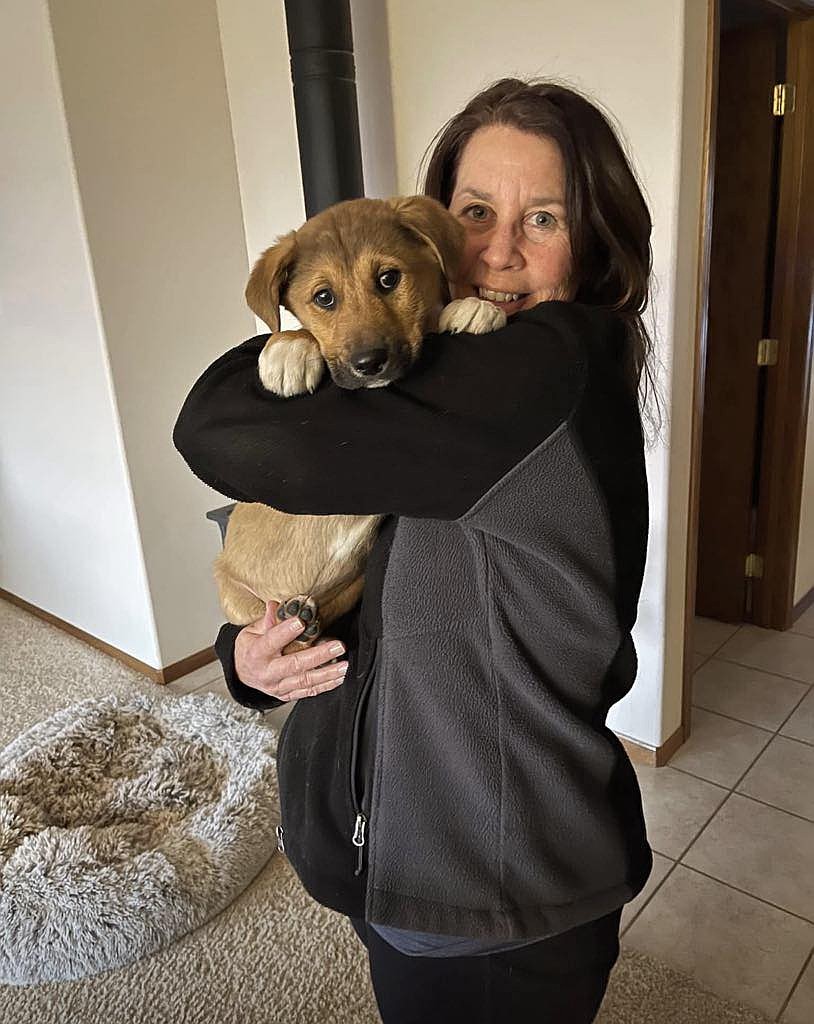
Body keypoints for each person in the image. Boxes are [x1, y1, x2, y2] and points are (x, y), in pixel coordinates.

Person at [173, 77, 657, 1024]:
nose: (499, 251)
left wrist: (295, 337)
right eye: (475, 212)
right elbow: (374, 589)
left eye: (545, 218)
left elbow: (217, 429)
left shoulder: (541, 370)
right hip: (408, 852)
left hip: (483, 890)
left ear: (592, 246)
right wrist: (248, 656)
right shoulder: (446, 404)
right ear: (437, 225)